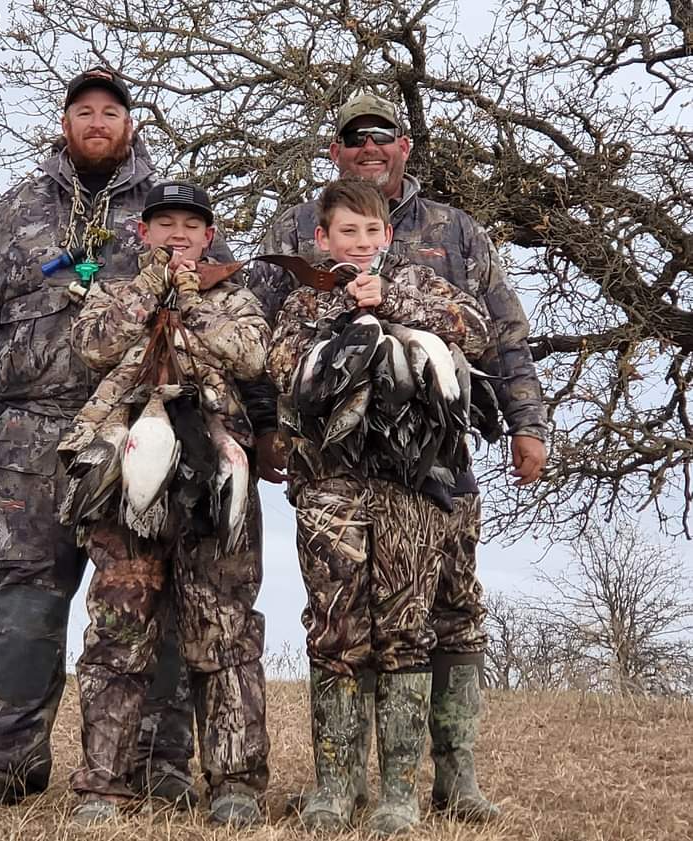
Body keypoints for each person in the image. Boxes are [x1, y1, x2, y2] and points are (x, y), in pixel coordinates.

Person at [250, 92, 548, 823]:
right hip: (333, 472)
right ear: (336, 154)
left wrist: (525, 422)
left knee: (446, 614)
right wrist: (267, 432)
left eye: (382, 136)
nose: (370, 147)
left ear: (403, 146)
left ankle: (449, 781)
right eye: (356, 139)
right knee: (338, 621)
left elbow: (496, 332)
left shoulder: (454, 233)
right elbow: (262, 345)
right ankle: (337, 784)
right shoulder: (293, 236)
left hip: (434, 469)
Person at [0, 68, 223, 812]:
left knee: (146, 594)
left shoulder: (166, 208)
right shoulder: (12, 213)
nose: (97, 122)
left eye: (111, 112)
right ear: (65, 123)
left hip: (137, 424)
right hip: (26, 431)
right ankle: (7, 757)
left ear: (129, 124)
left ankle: (156, 759)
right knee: (25, 595)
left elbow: (215, 304)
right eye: (83, 111)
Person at [267, 177, 494, 834]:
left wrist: (389, 300)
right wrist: (338, 314)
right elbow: (279, 364)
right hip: (330, 489)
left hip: (408, 492)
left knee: (403, 629)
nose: (360, 244)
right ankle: (335, 786)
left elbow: (475, 329)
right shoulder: (302, 302)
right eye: (346, 233)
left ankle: (398, 787)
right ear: (321, 238)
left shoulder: (423, 289)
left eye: (370, 233)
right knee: (336, 631)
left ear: (387, 236)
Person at [64, 182, 271, 826]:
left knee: (225, 628)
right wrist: (152, 290)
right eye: (163, 224)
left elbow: (252, 355)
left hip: (214, 472)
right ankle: (103, 785)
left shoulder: (234, 292)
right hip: (128, 472)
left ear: (209, 235)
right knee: (118, 630)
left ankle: (235, 783)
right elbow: (91, 346)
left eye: (190, 225)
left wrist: (190, 298)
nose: (177, 235)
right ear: (142, 233)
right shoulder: (113, 289)